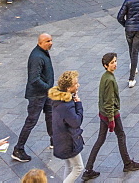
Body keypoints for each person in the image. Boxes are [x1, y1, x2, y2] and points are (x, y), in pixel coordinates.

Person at [82, 53, 139, 180]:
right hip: (111, 114)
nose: (115, 64)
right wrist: (111, 119)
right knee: (121, 135)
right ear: (106, 65)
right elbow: (109, 100)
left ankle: (88, 168)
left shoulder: (105, 77)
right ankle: (127, 163)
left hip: (103, 113)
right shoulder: (109, 79)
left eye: (115, 61)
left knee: (100, 139)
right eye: (112, 62)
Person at [12, 34, 55, 163]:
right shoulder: (37, 57)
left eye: (51, 40)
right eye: (48, 41)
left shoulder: (43, 52)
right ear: (41, 43)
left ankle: (54, 140)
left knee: (50, 114)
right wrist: (47, 87)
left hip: (45, 93)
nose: (51, 43)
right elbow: (34, 79)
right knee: (31, 121)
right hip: (38, 95)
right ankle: (18, 149)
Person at [49, 70, 85, 183]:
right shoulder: (66, 105)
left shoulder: (58, 100)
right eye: (75, 84)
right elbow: (76, 122)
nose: (78, 85)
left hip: (60, 139)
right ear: (69, 88)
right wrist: (78, 104)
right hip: (68, 142)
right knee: (79, 167)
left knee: (69, 166)